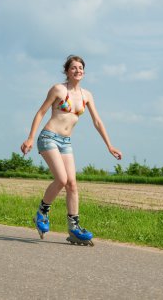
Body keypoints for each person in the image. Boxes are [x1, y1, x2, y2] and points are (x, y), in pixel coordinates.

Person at [21, 55, 122, 245]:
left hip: (66, 142)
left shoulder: (87, 95)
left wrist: (109, 145)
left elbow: (97, 121)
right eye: (74, 67)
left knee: (72, 185)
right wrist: (30, 138)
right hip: (49, 137)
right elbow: (41, 112)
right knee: (61, 179)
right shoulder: (58, 89)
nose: (78, 70)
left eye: (81, 67)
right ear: (67, 71)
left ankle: (74, 228)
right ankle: (42, 213)